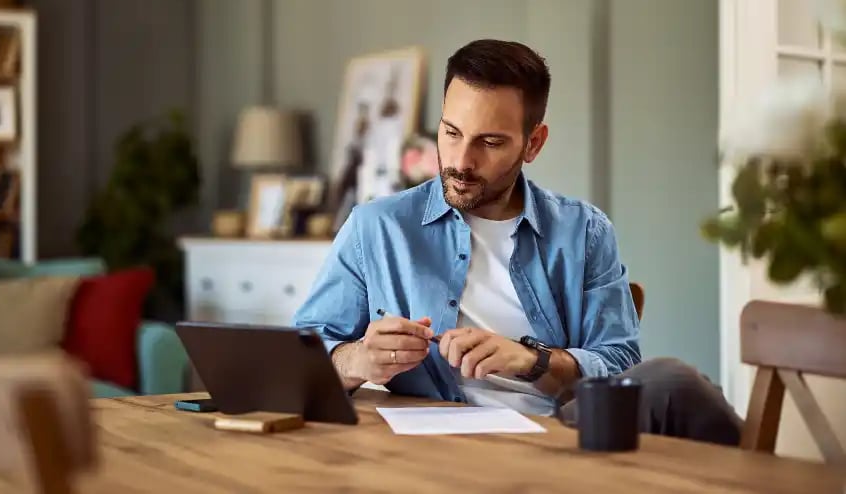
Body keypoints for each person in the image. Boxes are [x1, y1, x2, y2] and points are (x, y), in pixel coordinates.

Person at [292, 39, 742, 445]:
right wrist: (358, 361)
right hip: (430, 444)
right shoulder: (377, 228)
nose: (461, 162)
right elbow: (297, 365)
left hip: (560, 438)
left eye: (489, 142)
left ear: (533, 143)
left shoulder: (584, 231)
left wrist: (532, 360)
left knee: (677, 383)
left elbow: (620, 364)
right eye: (451, 133)